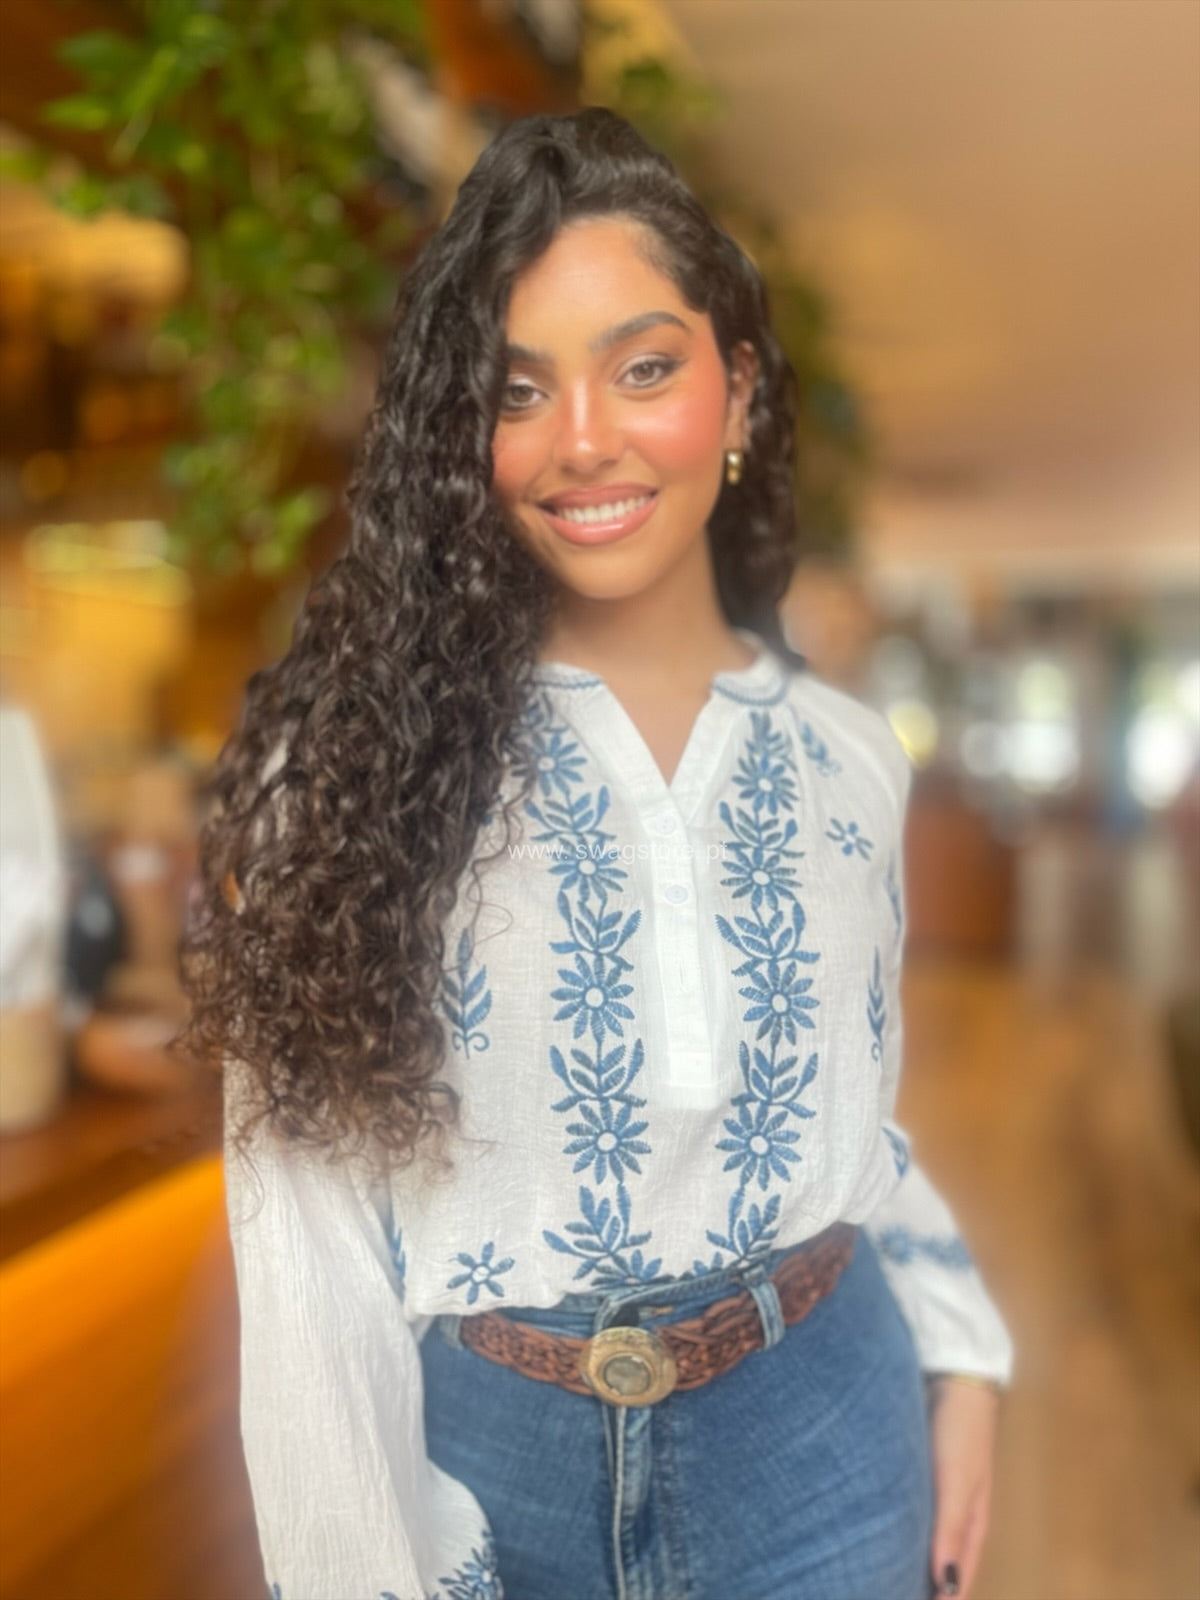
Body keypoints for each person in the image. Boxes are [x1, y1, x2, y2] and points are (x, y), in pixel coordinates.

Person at [181, 108, 1013, 1600]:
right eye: (518, 390)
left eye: (644, 368)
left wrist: (964, 1357)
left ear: (737, 389)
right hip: (497, 1463)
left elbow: (860, 1120)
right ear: (466, 440)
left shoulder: (849, 760)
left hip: (828, 1432)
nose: (582, 439)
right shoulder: (353, 772)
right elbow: (305, 1245)